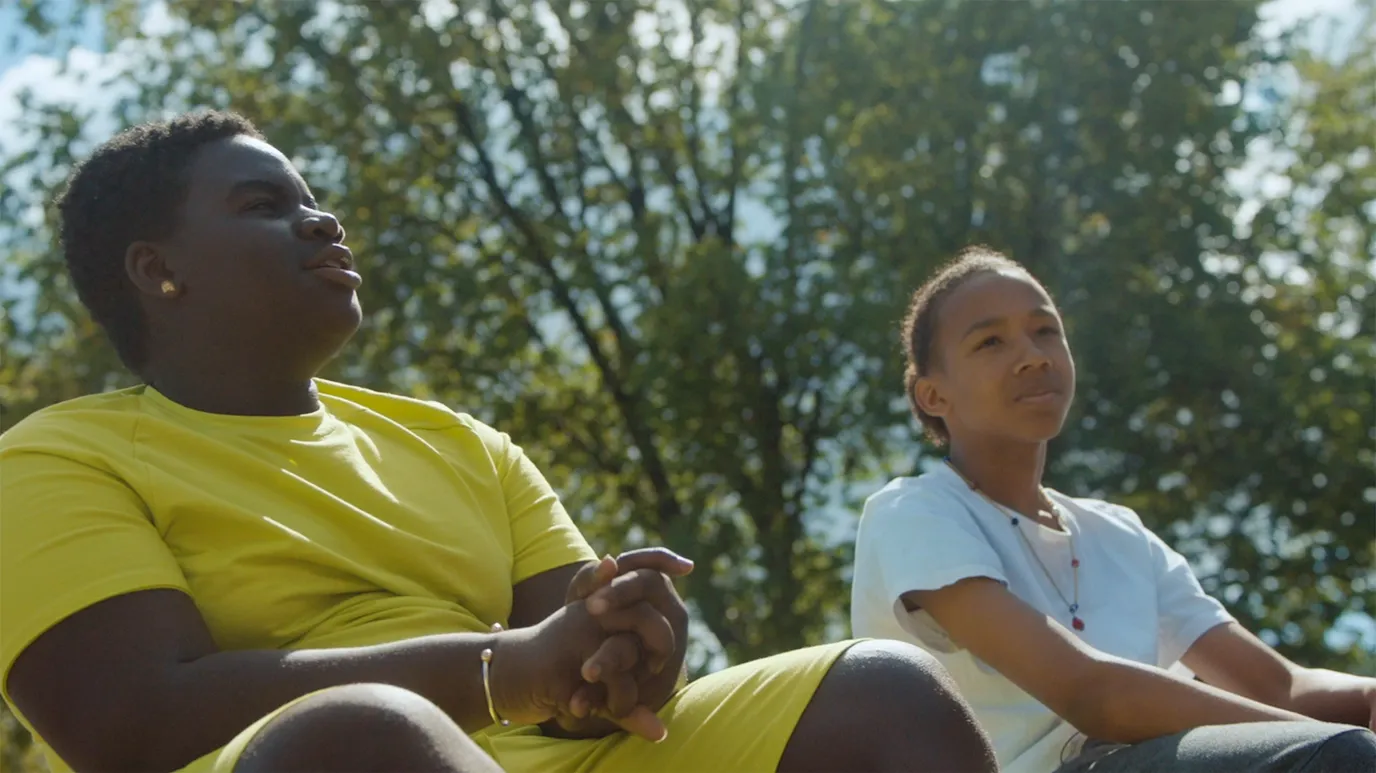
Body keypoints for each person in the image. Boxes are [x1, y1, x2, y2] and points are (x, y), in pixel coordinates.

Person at [0, 110, 999, 773]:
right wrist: (497, 670)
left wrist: (627, 647)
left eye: (313, 199)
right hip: (335, 756)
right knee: (360, 736)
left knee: (883, 688)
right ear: (157, 270)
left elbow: (574, 678)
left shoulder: (459, 443)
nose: (323, 222)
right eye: (266, 207)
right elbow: (127, 723)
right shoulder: (58, 458)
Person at [849, 245, 1376, 773]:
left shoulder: (1120, 532)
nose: (1034, 356)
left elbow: (1278, 686)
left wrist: (1367, 698)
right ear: (933, 396)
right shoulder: (914, 513)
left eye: (1045, 330)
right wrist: (1331, 743)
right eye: (990, 341)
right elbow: (1092, 695)